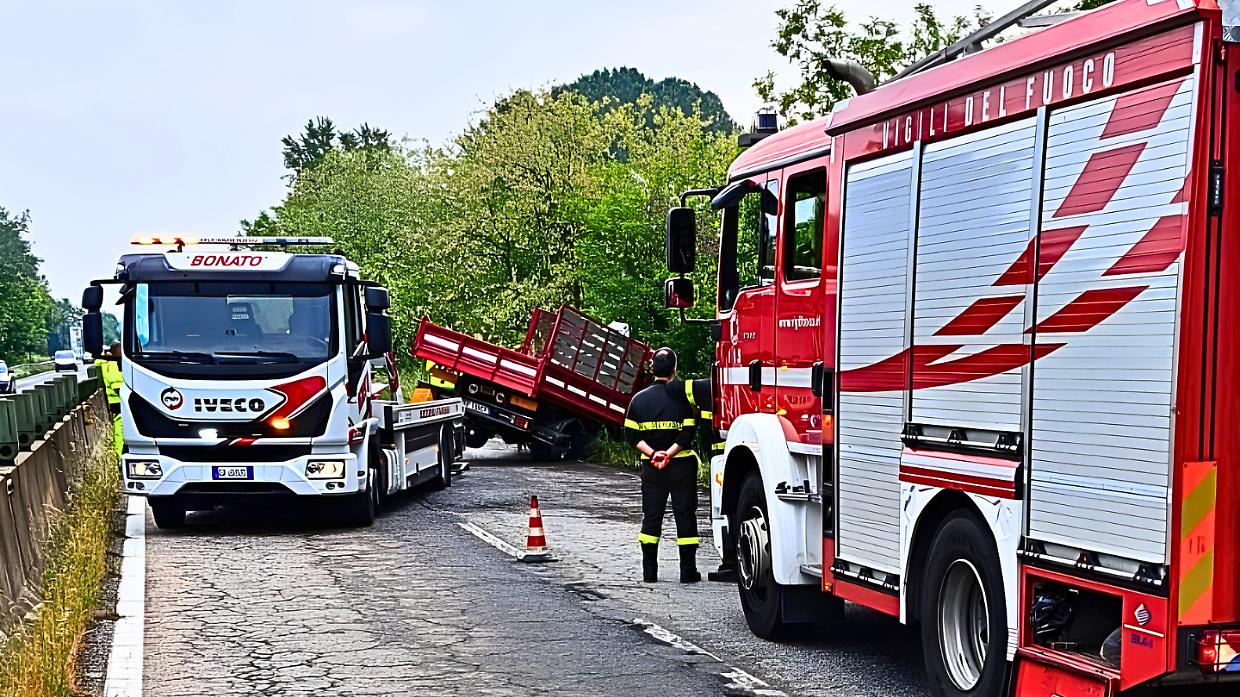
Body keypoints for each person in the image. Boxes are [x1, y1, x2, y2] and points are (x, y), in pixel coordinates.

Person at [625, 347, 701, 584]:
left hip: (652, 468)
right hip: (681, 467)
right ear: (674, 369)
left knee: (651, 516)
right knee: (685, 515)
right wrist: (669, 454)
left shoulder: (638, 399)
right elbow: (688, 433)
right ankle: (688, 573)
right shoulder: (683, 399)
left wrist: (654, 454)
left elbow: (631, 434)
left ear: (651, 369)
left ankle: (650, 573)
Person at [684, 376, 737, 583]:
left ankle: (730, 562)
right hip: (731, 457)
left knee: (723, 512)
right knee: (727, 512)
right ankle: (731, 561)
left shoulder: (701, 387)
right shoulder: (724, 386)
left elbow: (681, 391)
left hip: (722, 462)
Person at [94, 343, 124, 456]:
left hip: (113, 402)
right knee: (120, 432)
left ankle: (119, 456)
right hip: (119, 402)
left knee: (119, 432)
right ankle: (120, 457)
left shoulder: (104, 363)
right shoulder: (112, 365)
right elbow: (117, 385)